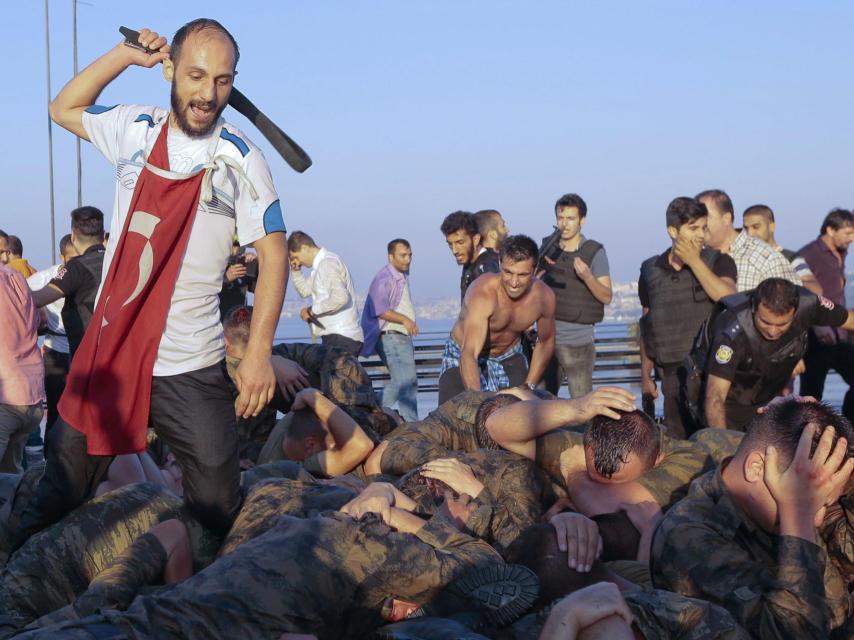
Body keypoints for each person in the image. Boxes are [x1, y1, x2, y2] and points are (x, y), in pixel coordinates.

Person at [13, 19, 288, 547]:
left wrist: (259, 354)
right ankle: (16, 577)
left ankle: (178, 568)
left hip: (191, 361)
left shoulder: (241, 158)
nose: (208, 95)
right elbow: (63, 108)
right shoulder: (134, 128)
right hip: (111, 354)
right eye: (196, 76)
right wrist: (124, 56)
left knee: (217, 504)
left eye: (223, 80)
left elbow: (273, 254)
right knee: (62, 487)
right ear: (170, 72)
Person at [16, 486, 508, 640]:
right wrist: (403, 514)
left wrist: (387, 500)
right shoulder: (374, 549)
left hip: (111, 621)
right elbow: (491, 571)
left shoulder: (297, 526)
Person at [651, 398, 854, 639]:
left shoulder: (787, 495)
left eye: (825, 504)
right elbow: (792, 633)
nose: (818, 520)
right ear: (756, 468)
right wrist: (798, 518)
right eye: (811, 505)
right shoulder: (688, 538)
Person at [682, 278, 854, 432]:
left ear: (795, 311)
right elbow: (715, 397)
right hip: (727, 401)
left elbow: (850, 320)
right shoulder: (732, 330)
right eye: (765, 322)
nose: (772, 331)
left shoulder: (810, 303)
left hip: (768, 395)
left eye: (782, 324)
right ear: (754, 307)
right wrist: (722, 445)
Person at [638, 197, 737, 437]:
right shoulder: (650, 270)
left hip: (713, 372)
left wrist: (694, 262)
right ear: (673, 231)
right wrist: (645, 376)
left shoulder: (719, 261)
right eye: (693, 228)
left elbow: (728, 297)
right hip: (672, 376)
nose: (701, 235)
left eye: (703, 227)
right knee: (680, 447)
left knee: (720, 442)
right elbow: (647, 325)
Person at [438, 235, 556, 403]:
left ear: (534, 269)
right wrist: (476, 401)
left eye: (522, 275)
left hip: (508, 355)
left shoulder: (544, 297)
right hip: (463, 353)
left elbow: (546, 341)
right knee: (455, 414)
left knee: (521, 413)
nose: (514, 282)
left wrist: (529, 385)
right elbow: (469, 352)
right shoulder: (483, 293)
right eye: (508, 272)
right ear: (500, 264)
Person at [539, 193, 613, 398]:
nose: (564, 224)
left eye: (571, 219)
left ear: (582, 220)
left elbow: (607, 296)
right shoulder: (546, 249)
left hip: (578, 343)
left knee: (582, 404)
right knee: (540, 404)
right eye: (560, 218)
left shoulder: (594, 252)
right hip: (547, 341)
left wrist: (587, 276)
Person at [798, 208, 854, 422]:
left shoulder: (841, 252)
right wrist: (818, 325)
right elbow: (803, 295)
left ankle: (847, 427)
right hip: (816, 337)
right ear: (830, 230)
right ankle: (804, 434)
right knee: (811, 396)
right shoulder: (809, 254)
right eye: (848, 233)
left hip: (840, 335)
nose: (852, 238)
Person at [30, 207, 106, 361]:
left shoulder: (76, 267)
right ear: (103, 235)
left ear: (73, 236)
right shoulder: (119, 263)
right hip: (119, 354)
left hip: (87, 356)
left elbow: (39, 298)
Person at [696, 189, 800, 292]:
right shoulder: (694, 256)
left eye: (705, 217)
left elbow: (795, 297)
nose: (699, 223)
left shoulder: (765, 256)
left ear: (726, 218)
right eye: (696, 218)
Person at [361, 238, 419, 422]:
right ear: (391, 257)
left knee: (404, 383)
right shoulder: (384, 278)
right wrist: (405, 320)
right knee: (405, 383)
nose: (408, 259)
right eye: (403, 255)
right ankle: (372, 410)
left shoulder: (399, 276)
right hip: (392, 336)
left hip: (398, 336)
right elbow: (380, 310)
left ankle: (406, 422)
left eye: (410, 255)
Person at [26, 234, 77, 439]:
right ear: (62, 257)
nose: (77, 262)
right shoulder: (44, 278)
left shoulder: (91, 273)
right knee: (55, 411)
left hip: (85, 350)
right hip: (55, 351)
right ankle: (51, 455)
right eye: (72, 258)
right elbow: (20, 295)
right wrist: (39, 314)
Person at [288, 231, 364, 356]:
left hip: (342, 336)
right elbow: (304, 290)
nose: (296, 261)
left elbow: (340, 298)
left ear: (305, 248)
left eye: (295, 256)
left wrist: (312, 310)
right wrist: (296, 271)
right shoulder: (321, 267)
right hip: (338, 336)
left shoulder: (328, 264)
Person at [0, 263, 44, 474]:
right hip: (31, 395)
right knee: (10, 476)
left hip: (5, 399)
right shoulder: (15, 276)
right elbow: (38, 320)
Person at [742, 204, 822, 294]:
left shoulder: (790, 258)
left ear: (771, 227)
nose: (750, 233)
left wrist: (780, 285)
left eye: (756, 227)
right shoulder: (741, 258)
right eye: (746, 228)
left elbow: (816, 289)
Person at [440, 211, 500, 301]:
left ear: (476, 239)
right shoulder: (470, 262)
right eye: (450, 244)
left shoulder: (486, 269)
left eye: (460, 242)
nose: (454, 250)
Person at [219, 238, 257, 319]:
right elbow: (202, 291)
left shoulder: (243, 264)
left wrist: (258, 265)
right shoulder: (212, 263)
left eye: (239, 245)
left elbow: (260, 291)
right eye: (233, 245)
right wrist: (225, 279)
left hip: (237, 321)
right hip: (214, 321)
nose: (236, 250)